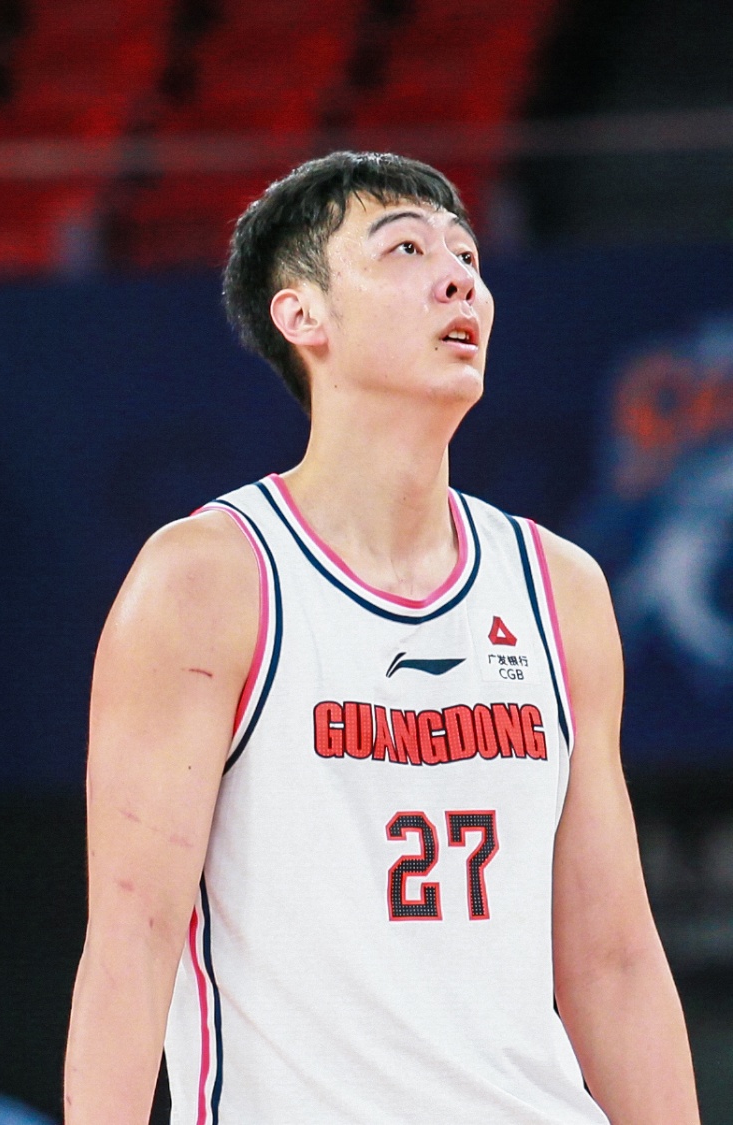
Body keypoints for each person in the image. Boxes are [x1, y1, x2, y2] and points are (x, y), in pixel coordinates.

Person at [64, 151, 700, 1124]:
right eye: (406, 249)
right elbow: (132, 937)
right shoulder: (209, 578)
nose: (458, 280)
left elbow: (612, 960)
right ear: (302, 315)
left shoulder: (559, 588)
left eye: (467, 256)